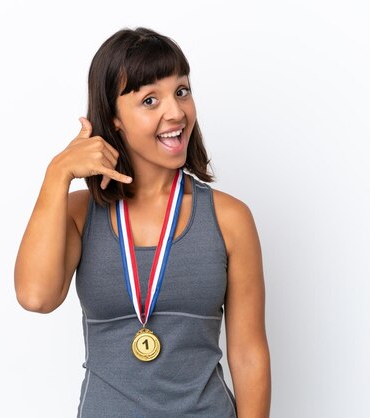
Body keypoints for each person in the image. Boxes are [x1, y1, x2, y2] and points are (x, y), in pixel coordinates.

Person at [14, 27, 271, 418]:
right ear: (113, 119)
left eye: (181, 91)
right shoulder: (79, 214)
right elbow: (36, 297)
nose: (176, 112)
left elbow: (249, 354)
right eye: (150, 99)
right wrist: (57, 174)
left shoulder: (230, 218)